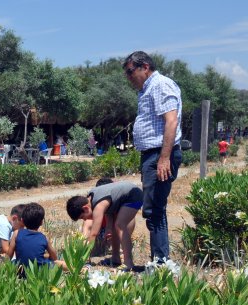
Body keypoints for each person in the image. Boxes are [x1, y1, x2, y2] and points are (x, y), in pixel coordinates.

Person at [123, 50, 182, 263]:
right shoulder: (147, 90)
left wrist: (164, 158)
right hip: (152, 154)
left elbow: (171, 121)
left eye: (131, 72)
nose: (129, 78)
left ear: (145, 67)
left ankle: (160, 262)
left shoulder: (160, 85)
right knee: (152, 208)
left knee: (155, 209)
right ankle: (158, 259)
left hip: (159, 154)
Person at [66, 180, 143, 270]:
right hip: (123, 198)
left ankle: (128, 263)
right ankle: (115, 258)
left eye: (83, 217)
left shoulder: (98, 206)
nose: (85, 220)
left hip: (133, 195)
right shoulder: (92, 197)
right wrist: (109, 227)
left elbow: (94, 234)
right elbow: (109, 209)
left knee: (120, 225)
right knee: (115, 227)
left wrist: (84, 257)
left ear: (86, 208)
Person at [6, 203, 66, 270]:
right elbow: (54, 257)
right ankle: (74, 268)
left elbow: (9, 256)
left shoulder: (16, 233)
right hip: (38, 271)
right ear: (41, 222)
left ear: (22, 220)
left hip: (21, 270)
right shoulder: (43, 238)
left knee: (14, 262)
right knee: (57, 263)